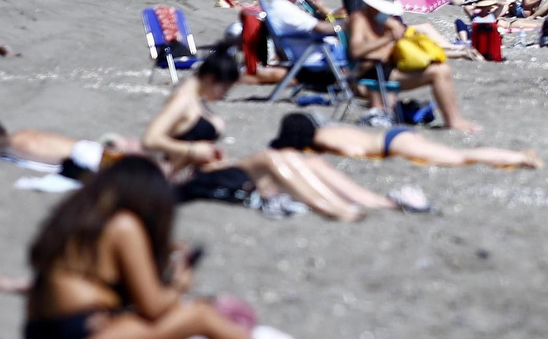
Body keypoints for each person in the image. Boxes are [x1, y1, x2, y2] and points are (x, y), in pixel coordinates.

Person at [22, 156, 350, 339]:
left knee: (190, 317)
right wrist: (179, 283)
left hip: (44, 331)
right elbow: (153, 306)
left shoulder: (79, 219)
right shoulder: (124, 225)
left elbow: (111, 289)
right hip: (77, 338)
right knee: (201, 317)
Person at [143, 49, 427, 219]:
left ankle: (382, 203)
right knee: (271, 158)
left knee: (308, 161)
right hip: (181, 183)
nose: (225, 95)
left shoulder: (196, 98)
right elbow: (150, 140)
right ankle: (335, 209)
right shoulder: (183, 99)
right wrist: (194, 152)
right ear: (209, 79)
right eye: (225, 88)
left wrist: (203, 154)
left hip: (208, 171)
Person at [348, 0, 480, 132]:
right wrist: (388, 38)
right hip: (373, 73)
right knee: (438, 72)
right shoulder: (359, 19)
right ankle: (453, 121)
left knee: (441, 67)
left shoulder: (384, 20)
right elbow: (356, 51)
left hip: (388, 68)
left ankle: (454, 119)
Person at [269, 112, 541, 169]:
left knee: (460, 157)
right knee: (456, 153)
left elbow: (352, 151)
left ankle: (519, 158)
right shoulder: (328, 130)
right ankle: (516, 156)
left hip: (394, 144)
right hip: (396, 135)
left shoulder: (325, 141)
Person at [0, 116, 80, 167]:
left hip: (77, 162)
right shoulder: (24, 133)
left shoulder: (8, 143)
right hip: (83, 148)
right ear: (4, 129)